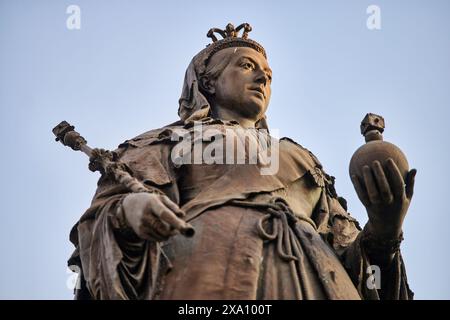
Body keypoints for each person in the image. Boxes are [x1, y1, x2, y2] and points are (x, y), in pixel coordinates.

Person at [68, 23, 416, 300]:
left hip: (317, 279)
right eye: (247, 66)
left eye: (268, 73)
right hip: (207, 269)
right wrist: (129, 213)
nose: (263, 78)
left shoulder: (302, 158)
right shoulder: (166, 142)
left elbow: (352, 260)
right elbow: (101, 223)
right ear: (208, 82)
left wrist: (385, 229)